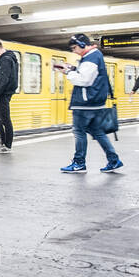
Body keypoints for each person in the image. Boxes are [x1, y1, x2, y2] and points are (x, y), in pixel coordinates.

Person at [58, 34, 122, 173]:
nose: (74, 51)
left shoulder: (91, 57)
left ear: (82, 44)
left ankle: (79, 163)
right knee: (98, 132)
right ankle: (113, 160)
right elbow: (90, 75)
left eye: (74, 48)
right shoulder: (94, 56)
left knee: (79, 131)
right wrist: (74, 69)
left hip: (85, 103)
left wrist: (68, 72)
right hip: (94, 101)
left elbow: (84, 80)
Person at [0, 41, 18, 153]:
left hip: (3, 94)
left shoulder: (5, 59)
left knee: (5, 120)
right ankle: (3, 143)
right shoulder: (9, 58)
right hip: (4, 93)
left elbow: (3, 78)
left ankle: (7, 146)